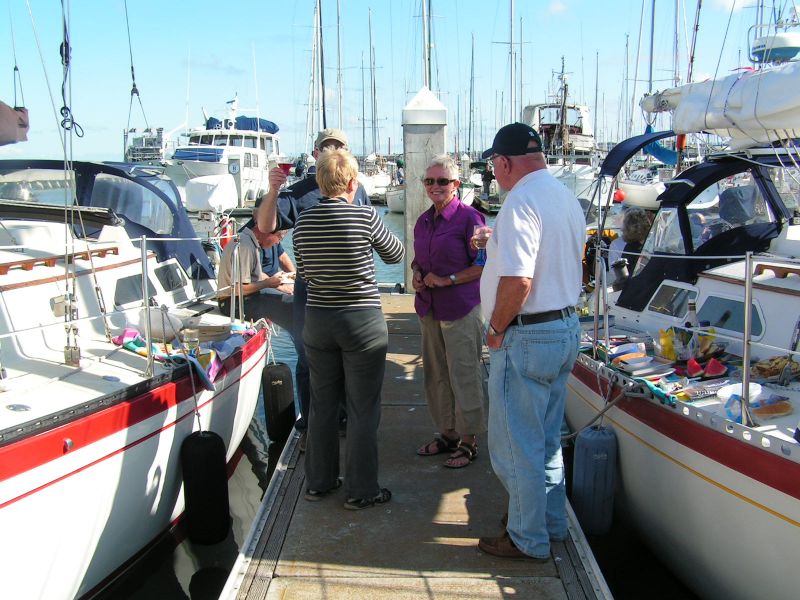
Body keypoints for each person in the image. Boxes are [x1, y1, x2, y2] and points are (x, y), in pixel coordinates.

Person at [475, 123, 584, 561]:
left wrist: (496, 329)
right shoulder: (564, 197)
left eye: (493, 165)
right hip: (565, 326)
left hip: (527, 334)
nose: (493, 174)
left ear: (504, 163)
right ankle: (550, 524)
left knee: (514, 444)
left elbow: (519, 279)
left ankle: (526, 537)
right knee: (547, 439)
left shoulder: (520, 201)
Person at [292, 147, 404, 510]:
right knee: (362, 407)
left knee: (322, 404)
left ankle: (319, 482)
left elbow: (305, 276)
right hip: (362, 323)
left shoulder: (303, 223)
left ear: (320, 183)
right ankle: (362, 490)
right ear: (353, 183)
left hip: (319, 321)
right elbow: (396, 254)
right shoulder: (364, 216)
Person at [255, 128, 371, 443]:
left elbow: (371, 240)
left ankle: (344, 418)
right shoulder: (300, 191)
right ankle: (310, 421)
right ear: (316, 153)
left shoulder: (357, 188)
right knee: (307, 358)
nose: (332, 151)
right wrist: (273, 191)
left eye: (338, 147)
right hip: (311, 292)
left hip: (350, 291)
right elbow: (265, 228)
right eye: (325, 147)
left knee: (348, 358)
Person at [412, 154, 487, 468]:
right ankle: (448, 433)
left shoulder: (470, 219)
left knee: (464, 374)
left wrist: (448, 279)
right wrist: (417, 273)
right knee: (436, 375)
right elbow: (420, 259)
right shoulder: (423, 220)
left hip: (460, 309)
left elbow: (483, 264)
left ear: (456, 184)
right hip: (429, 308)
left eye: (443, 181)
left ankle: (469, 441)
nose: (435, 186)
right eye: (430, 181)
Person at [216, 210, 295, 330]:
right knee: (292, 306)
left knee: (291, 301)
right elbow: (238, 289)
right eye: (279, 238)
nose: (278, 243)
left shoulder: (248, 241)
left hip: (240, 299)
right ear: (268, 232)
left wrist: (275, 282)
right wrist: (269, 283)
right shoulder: (245, 246)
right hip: (232, 303)